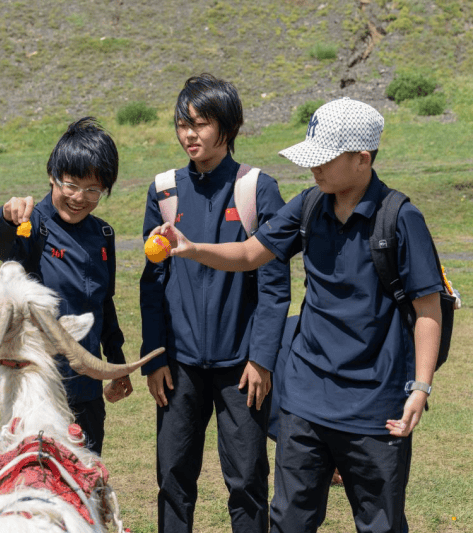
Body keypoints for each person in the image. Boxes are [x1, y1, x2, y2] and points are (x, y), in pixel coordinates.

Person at [153, 97, 444, 533]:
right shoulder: (310, 205)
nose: (314, 169)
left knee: (380, 523)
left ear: (362, 159)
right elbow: (252, 253)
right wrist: (192, 248)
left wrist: (420, 388)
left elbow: (428, 310)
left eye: (324, 159)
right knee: (289, 520)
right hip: (305, 400)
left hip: (374, 405)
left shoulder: (400, 219)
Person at [139, 73, 290, 533]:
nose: (190, 134)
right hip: (178, 365)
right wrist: (155, 358)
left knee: (246, 479)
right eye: (183, 124)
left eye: (202, 124)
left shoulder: (256, 188)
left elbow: (275, 284)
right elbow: (152, 282)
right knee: (172, 477)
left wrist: (262, 359)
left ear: (228, 127)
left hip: (240, 368)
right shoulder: (163, 190)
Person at [0, 116, 131, 456]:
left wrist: (117, 364)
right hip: (36, 385)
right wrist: (5, 217)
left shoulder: (103, 235)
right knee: (34, 472)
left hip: (86, 381)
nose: (80, 198)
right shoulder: (32, 224)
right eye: (71, 185)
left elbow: (104, 303)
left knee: (85, 473)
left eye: (94, 190)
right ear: (52, 176)